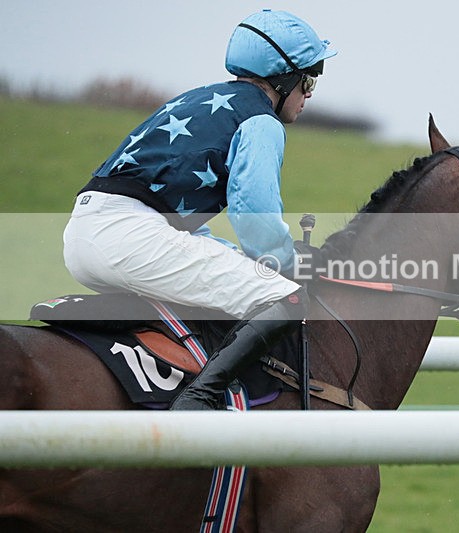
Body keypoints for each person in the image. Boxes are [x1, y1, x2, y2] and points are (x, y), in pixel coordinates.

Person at [62, 9, 336, 410]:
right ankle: (198, 399)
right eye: (308, 80)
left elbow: (174, 217)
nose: (309, 93)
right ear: (284, 79)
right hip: (129, 237)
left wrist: (238, 258)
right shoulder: (261, 122)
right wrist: (288, 264)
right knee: (287, 299)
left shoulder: (197, 97)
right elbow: (255, 219)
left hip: (86, 232)